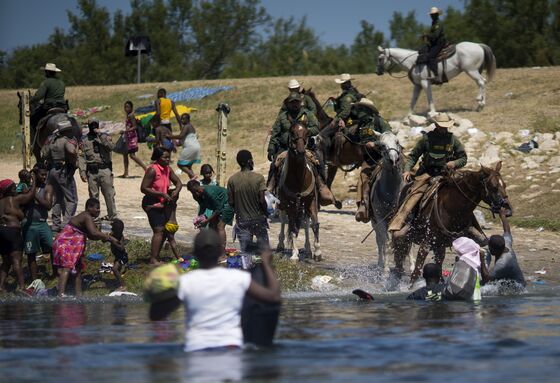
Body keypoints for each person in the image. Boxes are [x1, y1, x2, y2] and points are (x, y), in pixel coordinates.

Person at [148, 229, 281, 352]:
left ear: (195, 254)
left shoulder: (185, 282)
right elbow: (273, 296)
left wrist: (160, 290)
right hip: (231, 349)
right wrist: (266, 264)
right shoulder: (238, 278)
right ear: (219, 253)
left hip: (197, 349)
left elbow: (156, 314)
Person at [389, 112, 466, 237]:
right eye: (441, 126)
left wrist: (454, 163)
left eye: (445, 126)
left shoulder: (453, 140)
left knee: (462, 194)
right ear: (436, 125)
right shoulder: (426, 139)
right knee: (414, 194)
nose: (443, 128)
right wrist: (407, 169)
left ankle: (470, 226)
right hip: (427, 173)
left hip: (447, 174)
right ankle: (406, 222)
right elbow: (413, 156)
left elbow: (463, 158)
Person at [267, 92, 338, 207]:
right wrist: (271, 148)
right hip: (285, 148)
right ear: (288, 104)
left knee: (318, 160)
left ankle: (322, 186)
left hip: (305, 147)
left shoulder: (308, 114)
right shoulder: (282, 117)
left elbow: (316, 127)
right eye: (292, 102)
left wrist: (306, 132)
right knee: (275, 164)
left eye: (297, 102)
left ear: (300, 103)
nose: (295, 104)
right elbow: (275, 133)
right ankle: (270, 188)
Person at [53, 198, 120, 296]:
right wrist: (110, 238)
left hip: (72, 245)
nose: (98, 210)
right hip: (66, 243)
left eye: (99, 208)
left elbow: (92, 236)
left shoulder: (88, 218)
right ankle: (61, 294)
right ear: (89, 208)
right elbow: (93, 232)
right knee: (66, 268)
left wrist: (104, 238)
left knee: (78, 270)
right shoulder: (86, 216)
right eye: (96, 208)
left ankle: (78, 295)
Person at [351, 98, 392, 222]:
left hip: (383, 157)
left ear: (368, 110)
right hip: (369, 159)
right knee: (363, 178)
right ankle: (364, 205)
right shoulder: (361, 125)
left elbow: (389, 137)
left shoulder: (379, 122)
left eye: (361, 109)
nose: (359, 111)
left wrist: (375, 144)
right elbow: (354, 138)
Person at [227, 150, 270, 268]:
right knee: (264, 252)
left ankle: (248, 278)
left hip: (242, 222)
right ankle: (266, 276)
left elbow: (231, 202)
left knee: (246, 255)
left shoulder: (232, 180)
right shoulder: (258, 178)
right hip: (258, 220)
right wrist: (266, 213)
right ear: (249, 161)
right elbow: (262, 201)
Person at [140, 147, 182, 264]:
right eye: (165, 157)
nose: (167, 160)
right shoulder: (152, 170)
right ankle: (153, 259)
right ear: (158, 158)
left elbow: (178, 182)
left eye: (169, 157)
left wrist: (176, 191)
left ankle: (156, 256)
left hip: (162, 203)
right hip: (151, 202)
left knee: (164, 230)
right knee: (159, 230)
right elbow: (143, 188)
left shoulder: (167, 169)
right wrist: (162, 193)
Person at [42, 120, 79, 233]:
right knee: (72, 200)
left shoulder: (52, 141)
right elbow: (71, 151)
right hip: (63, 171)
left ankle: (56, 224)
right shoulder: (67, 141)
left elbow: (44, 154)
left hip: (52, 170)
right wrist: (76, 152)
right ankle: (66, 223)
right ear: (67, 130)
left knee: (57, 198)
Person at [0, 177, 37, 292]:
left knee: (6, 261)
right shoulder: (14, 199)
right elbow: (30, 195)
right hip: (13, 232)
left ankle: (1, 286)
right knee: (17, 260)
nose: (16, 189)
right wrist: (34, 181)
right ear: (9, 190)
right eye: (14, 187)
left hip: (1, 232)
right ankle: (22, 287)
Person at [78, 120, 118, 221]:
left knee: (109, 194)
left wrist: (101, 137)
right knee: (93, 196)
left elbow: (112, 147)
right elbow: (81, 157)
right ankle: (93, 218)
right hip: (92, 171)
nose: (94, 127)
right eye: (92, 125)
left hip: (104, 169)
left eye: (95, 125)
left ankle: (112, 216)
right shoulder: (84, 140)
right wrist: (82, 172)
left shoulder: (105, 137)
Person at [22, 164, 54, 281]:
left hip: (42, 223)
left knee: (52, 247)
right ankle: (34, 280)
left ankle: (55, 274)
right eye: (42, 175)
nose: (44, 177)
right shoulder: (25, 187)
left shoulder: (48, 188)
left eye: (46, 174)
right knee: (31, 253)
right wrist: (31, 189)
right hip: (29, 224)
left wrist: (33, 194)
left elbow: (48, 205)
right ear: (35, 175)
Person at [187, 179, 234, 248]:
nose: (196, 193)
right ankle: (213, 248)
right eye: (193, 192)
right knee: (212, 226)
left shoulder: (210, 193)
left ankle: (222, 251)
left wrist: (206, 221)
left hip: (228, 203)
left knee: (220, 226)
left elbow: (218, 210)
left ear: (199, 186)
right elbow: (203, 206)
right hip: (218, 206)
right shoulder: (196, 195)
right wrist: (199, 219)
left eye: (197, 190)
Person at [486, 208, 526, 286]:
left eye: (490, 247)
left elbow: (486, 279)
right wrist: (503, 216)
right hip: (509, 280)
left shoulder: (502, 263)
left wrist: (481, 260)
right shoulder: (506, 243)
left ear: (494, 250)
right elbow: (507, 231)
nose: (489, 248)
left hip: (516, 288)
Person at [30, 63, 66, 128]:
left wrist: (30, 101)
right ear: (54, 72)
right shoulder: (62, 83)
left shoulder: (46, 82)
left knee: (33, 119)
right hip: (62, 107)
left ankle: (36, 136)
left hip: (49, 107)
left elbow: (39, 96)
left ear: (47, 72)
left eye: (45, 71)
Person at [419, 7, 447, 83]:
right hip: (435, 43)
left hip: (439, 43)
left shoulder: (438, 23)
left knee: (431, 56)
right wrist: (426, 37)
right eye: (431, 15)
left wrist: (427, 35)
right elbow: (432, 35)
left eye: (433, 15)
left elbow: (436, 35)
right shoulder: (434, 23)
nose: (432, 16)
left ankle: (436, 76)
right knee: (421, 51)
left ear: (437, 15)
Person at [121, 100, 147, 178]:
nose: (126, 108)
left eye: (128, 107)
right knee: (125, 154)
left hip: (132, 137)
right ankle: (126, 172)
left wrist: (126, 130)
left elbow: (135, 126)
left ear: (131, 108)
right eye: (125, 107)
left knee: (132, 155)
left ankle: (146, 168)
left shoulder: (131, 115)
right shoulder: (128, 115)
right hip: (127, 137)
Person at [172, 113, 201, 179]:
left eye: (183, 119)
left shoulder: (187, 126)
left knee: (180, 164)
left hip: (190, 148)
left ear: (188, 119)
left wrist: (170, 136)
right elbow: (180, 143)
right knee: (188, 166)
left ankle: (192, 175)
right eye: (181, 119)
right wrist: (174, 143)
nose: (182, 120)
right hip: (196, 147)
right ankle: (193, 181)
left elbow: (180, 136)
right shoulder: (189, 129)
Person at [110, 219, 128, 291]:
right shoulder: (112, 234)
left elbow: (121, 248)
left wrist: (114, 242)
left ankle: (123, 286)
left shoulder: (120, 237)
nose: (112, 230)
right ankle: (118, 282)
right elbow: (104, 240)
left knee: (115, 269)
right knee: (117, 270)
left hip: (121, 256)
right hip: (117, 255)